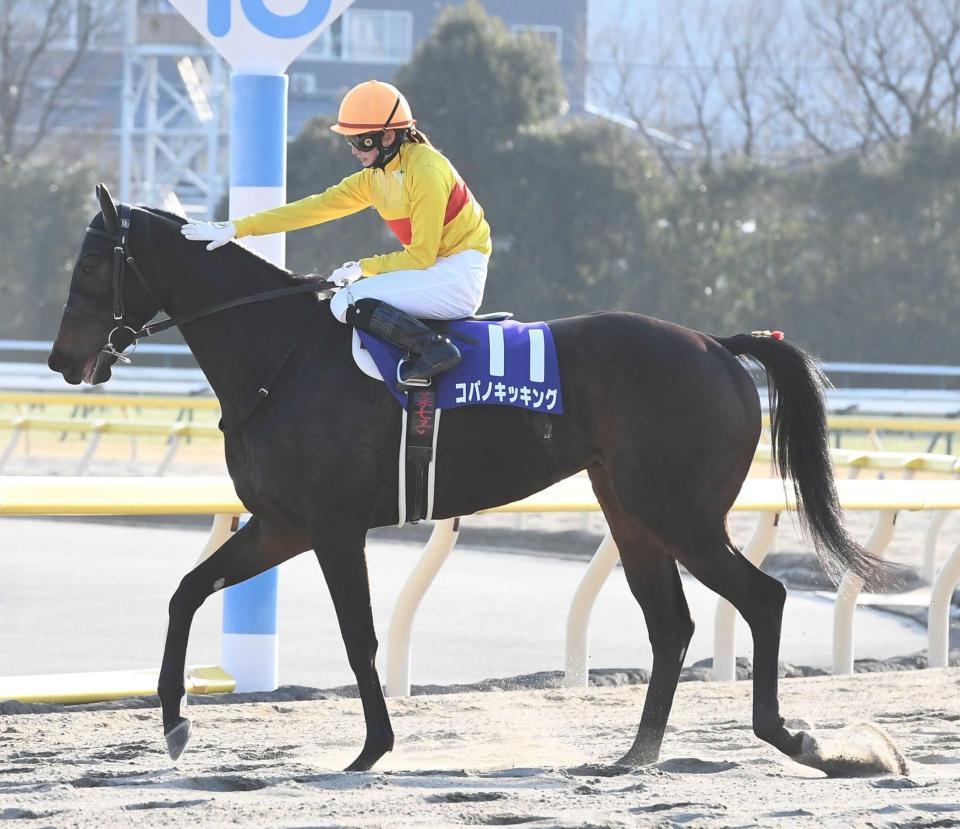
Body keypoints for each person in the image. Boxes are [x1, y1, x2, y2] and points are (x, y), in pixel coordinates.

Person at [181, 80, 492, 386]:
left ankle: (434, 349)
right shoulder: (373, 179)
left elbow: (422, 255)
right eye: (351, 141)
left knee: (348, 300)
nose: (354, 150)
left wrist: (363, 267)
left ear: (387, 137)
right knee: (343, 300)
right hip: (434, 272)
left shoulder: (426, 171)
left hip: (459, 274)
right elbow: (310, 208)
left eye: (360, 140)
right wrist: (236, 228)